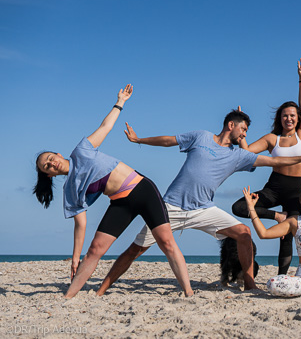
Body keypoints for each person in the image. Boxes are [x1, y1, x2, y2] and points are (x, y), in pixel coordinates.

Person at [96, 108, 301, 295]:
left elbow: (272, 160)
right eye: (243, 129)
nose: (245, 134)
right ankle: (103, 287)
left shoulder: (239, 156)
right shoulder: (201, 137)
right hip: (171, 206)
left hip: (203, 209)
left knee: (244, 234)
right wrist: (139, 140)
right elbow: (168, 141)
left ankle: (249, 283)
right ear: (231, 125)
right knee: (136, 249)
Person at [33, 85, 193, 298]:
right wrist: (74, 257)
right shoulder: (70, 190)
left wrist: (120, 102)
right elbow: (80, 225)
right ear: (49, 175)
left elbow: (105, 127)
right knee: (95, 250)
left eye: (50, 158)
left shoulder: (82, 151)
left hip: (142, 189)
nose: (51, 164)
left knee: (166, 242)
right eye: (47, 167)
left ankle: (189, 292)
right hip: (121, 203)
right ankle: (68, 296)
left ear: (58, 154)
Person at [231, 58, 301, 275]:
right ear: (280, 118)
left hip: (296, 191)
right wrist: (241, 132)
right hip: (273, 188)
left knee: (287, 235)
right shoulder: (271, 139)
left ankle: (282, 277)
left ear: (298, 118)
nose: (289, 118)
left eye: (292, 115)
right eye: (285, 115)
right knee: (239, 207)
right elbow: (247, 152)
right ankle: (277, 217)